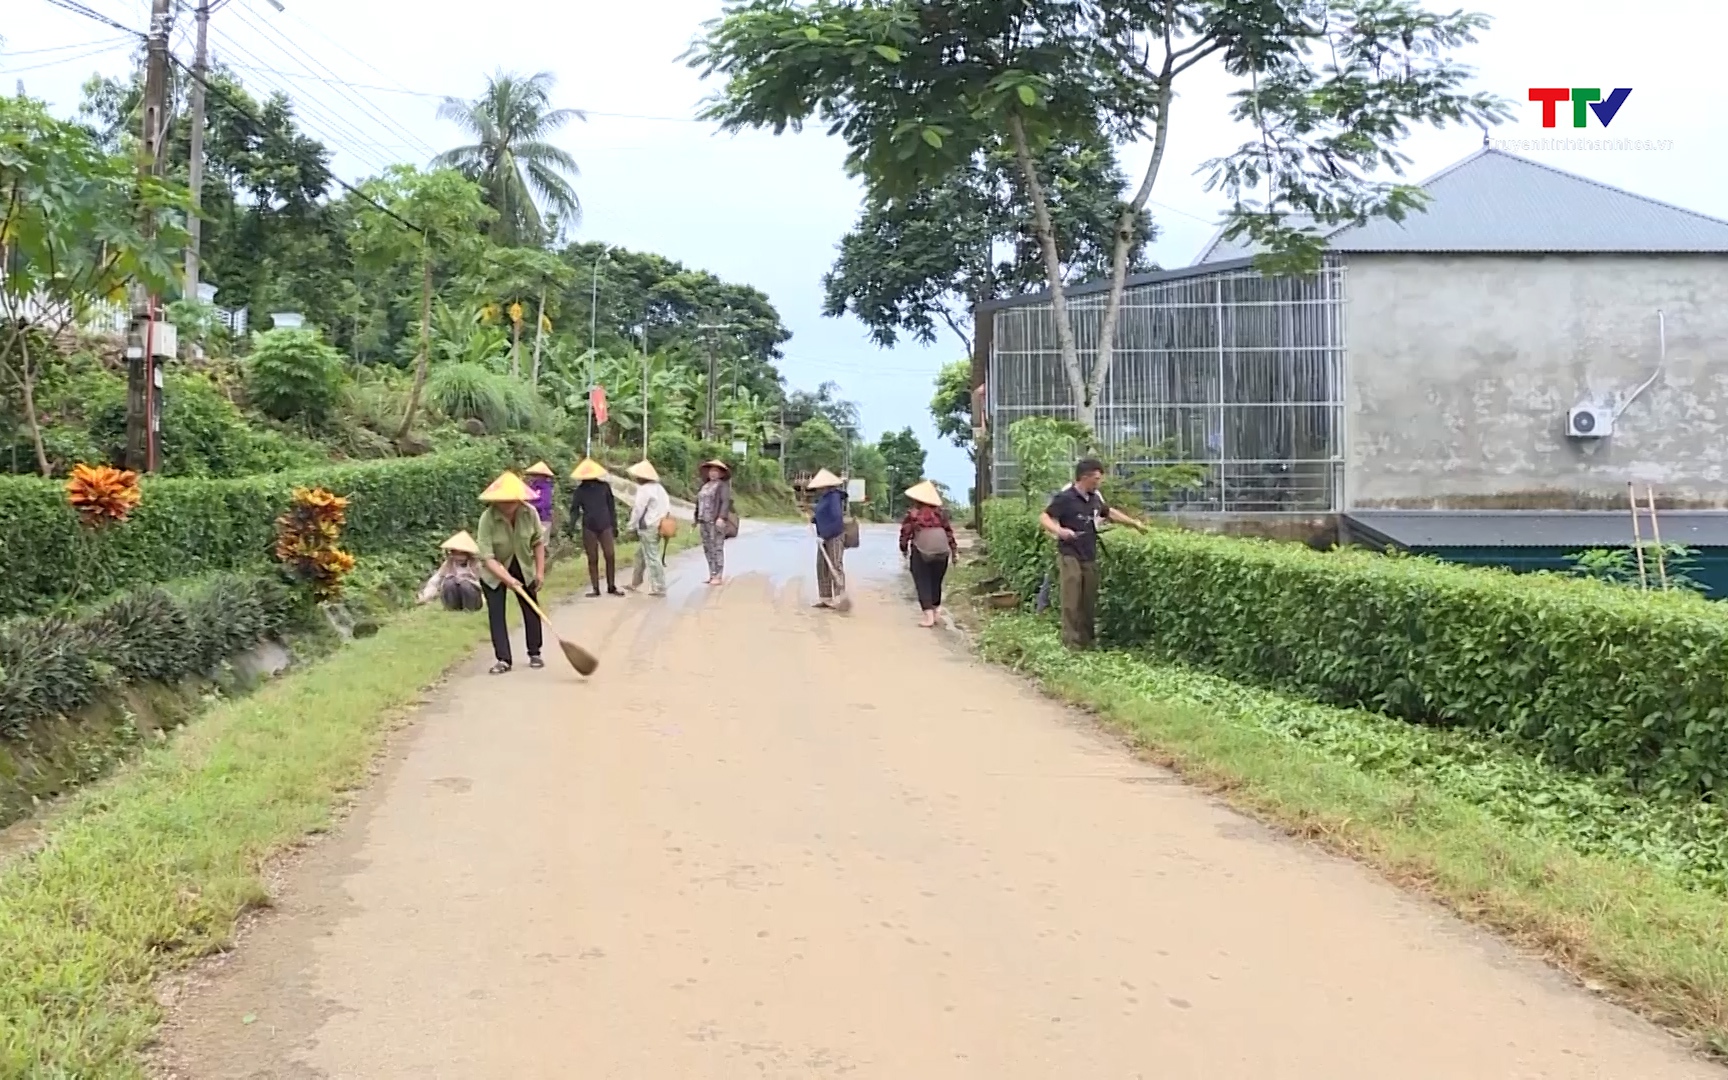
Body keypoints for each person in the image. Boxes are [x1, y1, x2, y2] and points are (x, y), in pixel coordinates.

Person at [1040, 458, 1145, 649]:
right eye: (1096, 478)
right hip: (1069, 553)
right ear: (1084, 477)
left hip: (1089, 554)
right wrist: (1060, 531)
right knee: (1071, 599)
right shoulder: (1066, 498)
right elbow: (1045, 516)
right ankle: (1071, 643)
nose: (1099, 482)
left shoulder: (1094, 498)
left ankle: (1087, 641)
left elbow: (1109, 512)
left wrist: (1134, 524)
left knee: (1088, 599)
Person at [475, 471, 548, 673]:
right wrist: (507, 579)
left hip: (523, 566)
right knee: (497, 614)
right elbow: (487, 557)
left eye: (512, 501)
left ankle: (535, 652)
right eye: (503, 501)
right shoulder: (487, 519)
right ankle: (503, 659)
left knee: (532, 607)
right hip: (494, 571)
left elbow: (538, 543)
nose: (507, 505)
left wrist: (540, 572)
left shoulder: (529, 513)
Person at [898, 480, 958, 628]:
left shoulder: (913, 515)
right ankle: (936, 611)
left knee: (923, 581)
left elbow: (906, 533)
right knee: (936, 582)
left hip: (921, 551)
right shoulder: (941, 514)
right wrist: (954, 551)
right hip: (942, 551)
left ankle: (928, 617)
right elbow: (949, 533)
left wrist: (904, 548)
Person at [569, 457, 622, 597]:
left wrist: (614, 525)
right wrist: (571, 526)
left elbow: (611, 507)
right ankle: (595, 588)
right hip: (589, 526)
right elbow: (574, 510)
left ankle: (611, 586)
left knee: (610, 555)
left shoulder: (604, 487)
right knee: (592, 558)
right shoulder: (580, 491)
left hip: (605, 524)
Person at [626, 459, 672, 597]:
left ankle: (659, 587)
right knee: (640, 555)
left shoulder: (644, 490)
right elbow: (666, 508)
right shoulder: (660, 489)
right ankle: (635, 582)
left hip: (648, 526)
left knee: (652, 557)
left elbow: (638, 509)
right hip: (659, 525)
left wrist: (631, 525)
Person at [808, 468, 847, 608]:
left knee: (835, 565)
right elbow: (823, 515)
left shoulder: (834, 497)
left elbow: (836, 518)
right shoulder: (824, 497)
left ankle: (840, 598)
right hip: (823, 536)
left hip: (834, 535)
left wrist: (826, 535)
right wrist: (814, 519)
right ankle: (826, 598)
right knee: (822, 566)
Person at [418, 530, 483, 611]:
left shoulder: (476, 564)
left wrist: (465, 580)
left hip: (471, 598)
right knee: (449, 582)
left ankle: (469, 610)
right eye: (456, 554)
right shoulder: (449, 563)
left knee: (465, 584)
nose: (458, 557)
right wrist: (426, 596)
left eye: (461, 554)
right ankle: (451, 608)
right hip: (455, 598)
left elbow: (483, 583)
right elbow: (435, 580)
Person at [694, 459, 735, 586]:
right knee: (707, 547)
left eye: (716, 471)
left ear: (721, 474)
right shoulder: (705, 486)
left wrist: (721, 517)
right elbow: (698, 503)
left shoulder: (722, 486)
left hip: (715, 521)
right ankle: (712, 573)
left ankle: (718, 574)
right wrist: (696, 518)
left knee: (717, 547)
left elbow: (725, 502)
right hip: (703, 520)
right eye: (711, 471)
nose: (713, 473)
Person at [524, 461, 557, 542]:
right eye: (534, 475)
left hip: (542, 518)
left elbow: (545, 503)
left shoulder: (546, 488)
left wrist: (530, 506)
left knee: (541, 542)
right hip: (530, 518)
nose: (534, 477)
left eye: (536, 475)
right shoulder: (531, 487)